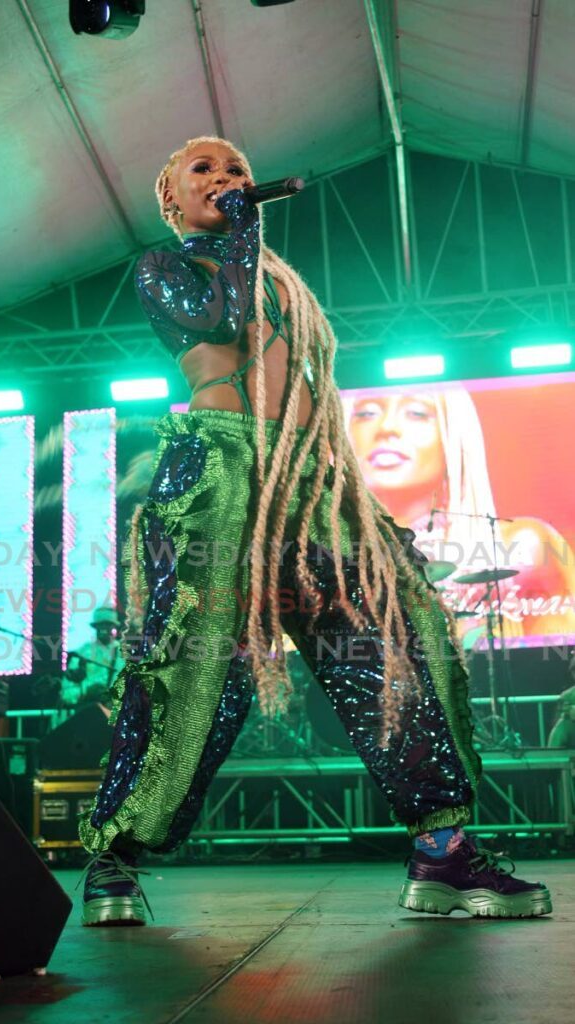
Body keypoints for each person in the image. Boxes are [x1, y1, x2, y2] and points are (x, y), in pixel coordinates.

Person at [78, 136, 551, 925]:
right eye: (205, 171)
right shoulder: (166, 268)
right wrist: (241, 232)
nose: (227, 180)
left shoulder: (282, 285)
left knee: (391, 650)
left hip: (309, 484)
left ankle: (441, 854)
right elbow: (219, 319)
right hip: (219, 479)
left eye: (236, 171)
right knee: (194, 673)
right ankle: (115, 856)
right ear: (170, 201)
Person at [344, 388, 575, 643]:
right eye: (366, 413)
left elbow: (559, 659)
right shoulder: (330, 554)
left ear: (452, 434)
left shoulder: (522, 545)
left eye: (417, 413)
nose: (386, 427)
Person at [63, 606, 124, 707]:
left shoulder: (124, 655)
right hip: (87, 713)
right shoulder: (82, 654)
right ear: (95, 627)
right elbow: (66, 694)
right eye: (100, 625)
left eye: (108, 624)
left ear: (114, 627)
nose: (104, 628)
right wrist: (87, 692)